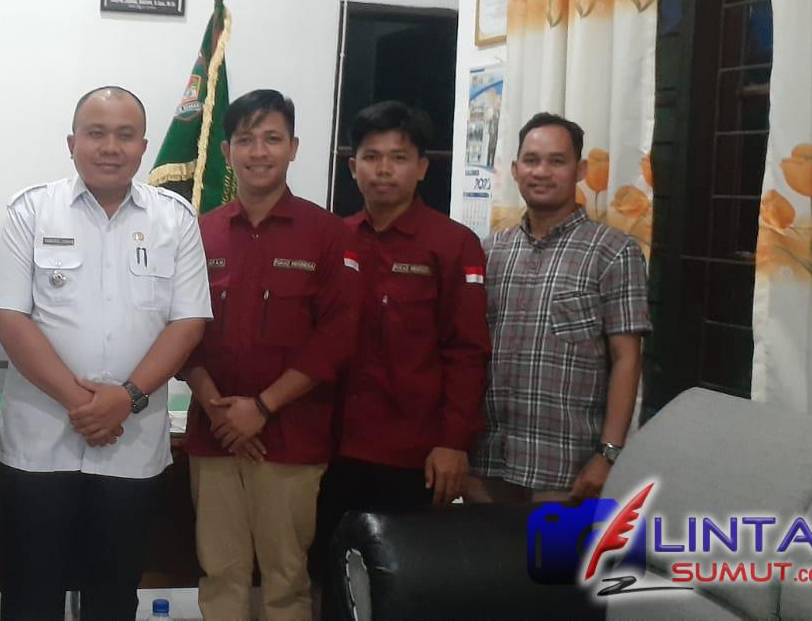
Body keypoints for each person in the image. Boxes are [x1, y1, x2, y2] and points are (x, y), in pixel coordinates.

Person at [0, 86, 211, 621]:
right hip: (40, 445)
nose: (110, 147)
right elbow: (10, 318)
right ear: (72, 143)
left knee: (114, 593)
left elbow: (188, 322)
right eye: (96, 133)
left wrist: (127, 398)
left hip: (129, 447)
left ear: (143, 147)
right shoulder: (31, 210)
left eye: (124, 135)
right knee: (30, 592)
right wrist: (85, 404)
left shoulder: (176, 218)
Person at [182, 89, 360, 621]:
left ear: (294, 148)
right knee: (220, 574)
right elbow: (177, 328)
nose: (258, 151)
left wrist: (260, 408)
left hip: (290, 438)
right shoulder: (199, 232)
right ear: (227, 151)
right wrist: (219, 410)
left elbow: (337, 336)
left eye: (272, 138)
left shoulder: (327, 234)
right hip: (214, 435)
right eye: (245, 139)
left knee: (286, 579)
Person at [312, 101, 490, 616]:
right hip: (335, 447)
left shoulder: (453, 244)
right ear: (353, 167)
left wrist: (453, 442)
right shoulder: (335, 238)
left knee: (407, 588)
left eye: (398, 157)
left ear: (422, 167)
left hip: (416, 454)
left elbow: (467, 351)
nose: (383, 170)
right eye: (371, 157)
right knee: (333, 581)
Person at [468, 113, 650, 504]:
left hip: (567, 470)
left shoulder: (614, 252)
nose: (541, 172)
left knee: (556, 549)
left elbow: (627, 359)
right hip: (486, 460)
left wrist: (608, 454)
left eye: (557, 161)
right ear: (515, 170)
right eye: (531, 160)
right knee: (480, 547)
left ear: (580, 170)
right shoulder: (489, 252)